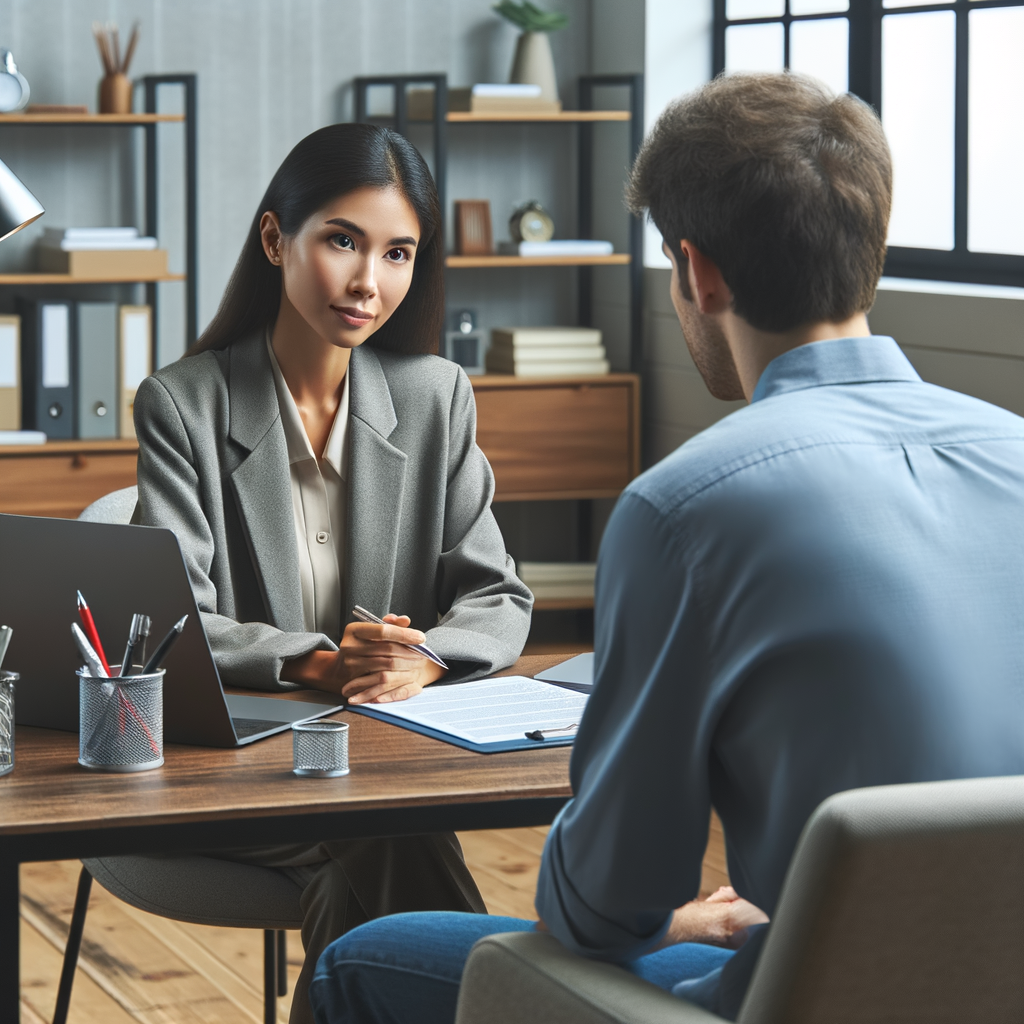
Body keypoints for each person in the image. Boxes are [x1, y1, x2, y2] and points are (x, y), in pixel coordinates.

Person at [306, 72, 1024, 1024]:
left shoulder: (685, 509)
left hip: (792, 998)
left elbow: (607, 904)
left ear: (699, 272)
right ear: (873, 249)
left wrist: (662, 912)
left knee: (357, 963)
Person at [132, 123, 533, 1024]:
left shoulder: (436, 396)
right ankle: (528, 1001)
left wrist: (423, 655)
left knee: (372, 851)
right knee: (389, 842)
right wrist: (320, 664)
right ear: (277, 240)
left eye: (398, 253)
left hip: (387, 764)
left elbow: (498, 593)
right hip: (242, 768)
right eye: (342, 241)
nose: (368, 282)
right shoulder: (184, 404)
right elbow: (172, 620)